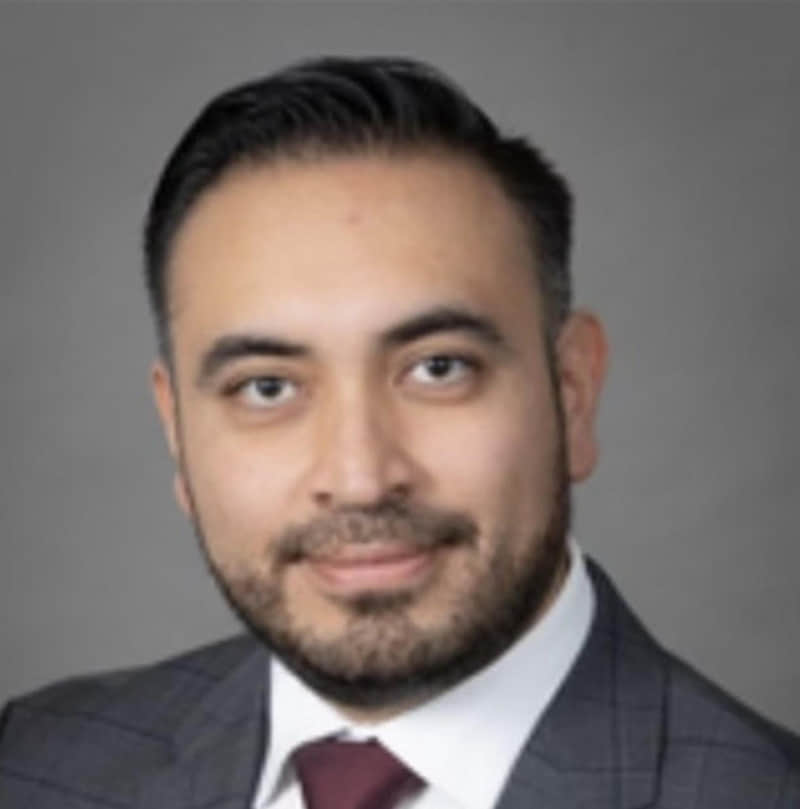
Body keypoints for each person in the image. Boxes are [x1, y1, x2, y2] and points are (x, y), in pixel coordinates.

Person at [0, 56, 797, 809]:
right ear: (177, 432)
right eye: (268, 387)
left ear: (573, 393)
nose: (360, 476)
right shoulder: (34, 764)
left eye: (438, 368)